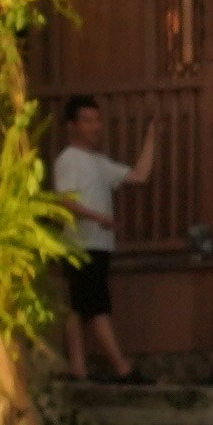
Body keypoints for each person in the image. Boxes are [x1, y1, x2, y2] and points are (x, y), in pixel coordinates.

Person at [46, 97, 142, 384]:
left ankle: (78, 367)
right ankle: (121, 367)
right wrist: (98, 218)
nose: (95, 126)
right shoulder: (68, 159)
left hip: (96, 243)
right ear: (72, 126)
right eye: (87, 120)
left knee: (77, 307)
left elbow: (138, 176)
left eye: (96, 120)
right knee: (96, 307)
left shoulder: (99, 162)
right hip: (82, 243)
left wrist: (151, 139)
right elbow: (65, 201)